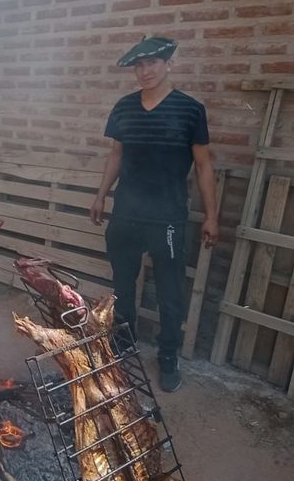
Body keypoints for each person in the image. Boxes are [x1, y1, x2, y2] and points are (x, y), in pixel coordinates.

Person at [90, 36, 218, 393]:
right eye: (139, 65)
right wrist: (100, 196)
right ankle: (124, 339)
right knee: (122, 284)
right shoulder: (124, 108)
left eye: (152, 63)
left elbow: (204, 165)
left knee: (170, 292)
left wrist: (211, 216)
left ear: (168, 65)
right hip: (126, 213)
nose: (145, 71)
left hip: (168, 217)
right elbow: (116, 155)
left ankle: (168, 355)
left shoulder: (190, 110)